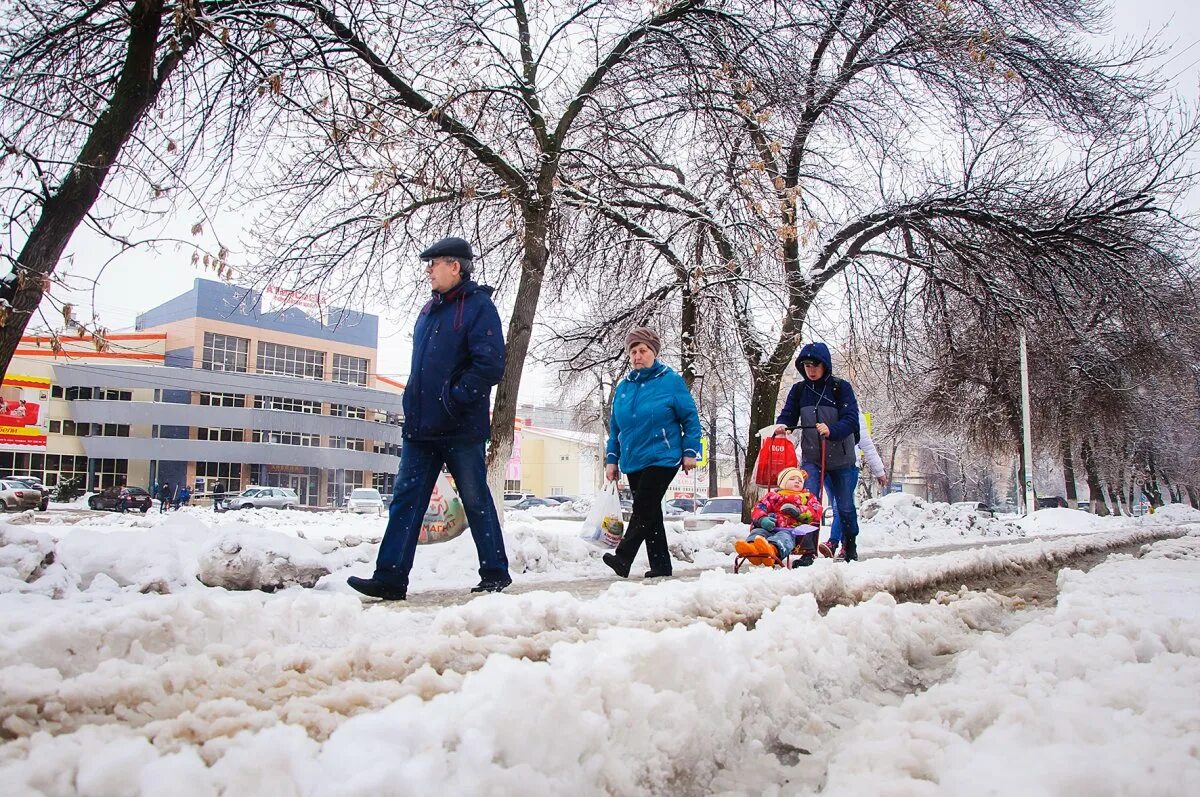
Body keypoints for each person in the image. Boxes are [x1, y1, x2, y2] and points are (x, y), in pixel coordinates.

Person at [348, 236, 510, 601]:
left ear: (455, 266)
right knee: (406, 500)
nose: (427, 270)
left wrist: (456, 398)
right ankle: (390, 578)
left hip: (460, 426)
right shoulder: (429, 310)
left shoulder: (479, 307)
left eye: (433, 263)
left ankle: (495, 572)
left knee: (475, 498)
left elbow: (490, 364)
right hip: (421, 427)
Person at [601, 327, 702, 580]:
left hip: (663, 455)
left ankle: (623, 557)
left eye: (642, 350)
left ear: (653, 352)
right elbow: (615, 428)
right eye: (633, 351)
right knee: (650, 512)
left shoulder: (670, 381)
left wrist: (691, 450)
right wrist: (612, 459)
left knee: (643, 507)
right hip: (634, 459)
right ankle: (660, 565)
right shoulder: (624, 387)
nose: (637, 356)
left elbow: (690, 418)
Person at [773, 342, 863, 561]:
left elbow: (851, 419)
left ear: (825, 365)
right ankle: (807, 551)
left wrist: (832, 430)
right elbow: (789, 414)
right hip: (813, 457)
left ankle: (849, 544)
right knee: (808, 503)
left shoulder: (840, 388)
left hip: (842, 459)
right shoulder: (799, 390)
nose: (810, 370)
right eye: (806, 366)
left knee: (844, 506)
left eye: (815, 365)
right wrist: (783, 425)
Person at [827, 410, 888, 557]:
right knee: (838, 506)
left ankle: (833, 542)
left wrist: (879, 471)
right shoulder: (823, 407)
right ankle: (846, 545)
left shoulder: (853, 411)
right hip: (827, 466)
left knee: (839, 506)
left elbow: (866, 444)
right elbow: (808, 440)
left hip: (848, 467)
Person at [735, 466, 824, 566]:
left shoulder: (807, 497)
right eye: (792, 479)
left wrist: (799, 512)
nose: (797, 481)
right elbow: (759, 508)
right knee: (758, 532)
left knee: (783, 537)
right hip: (771, 527)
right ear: (782, 482)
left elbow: (817, 511)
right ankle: (752, 549)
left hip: (792, 531)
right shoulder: (773, 496)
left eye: (800, 480)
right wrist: (762, 519)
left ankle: (772, 550)